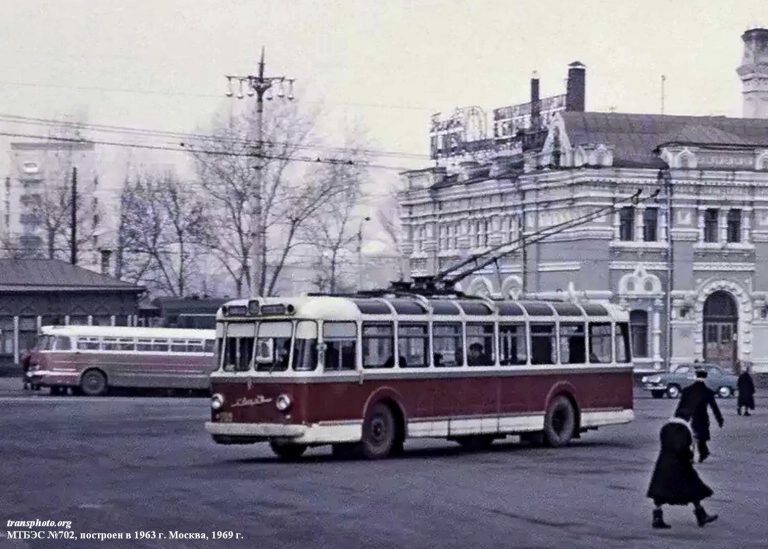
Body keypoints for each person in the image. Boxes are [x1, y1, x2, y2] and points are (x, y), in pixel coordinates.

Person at [646, 408, 719, 528]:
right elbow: (681, 447)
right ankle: (701, 515)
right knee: (694, 488)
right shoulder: (683, 429)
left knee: (660, 491)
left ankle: (657, 517)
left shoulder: (666, 428)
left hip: (663, 462)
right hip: (679, 464)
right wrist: (690, 456)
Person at [676, 369, 723, 462]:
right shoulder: (707, 391)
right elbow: (714, 407)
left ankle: (692, 454)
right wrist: (720, 419)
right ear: (705, 378)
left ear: (696, 376)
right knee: (701, 438)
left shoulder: (687, 390)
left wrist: (676, 416)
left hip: (687, 416)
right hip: (702, 417)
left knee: (688, 436)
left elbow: (681, 404)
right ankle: (703, 453)